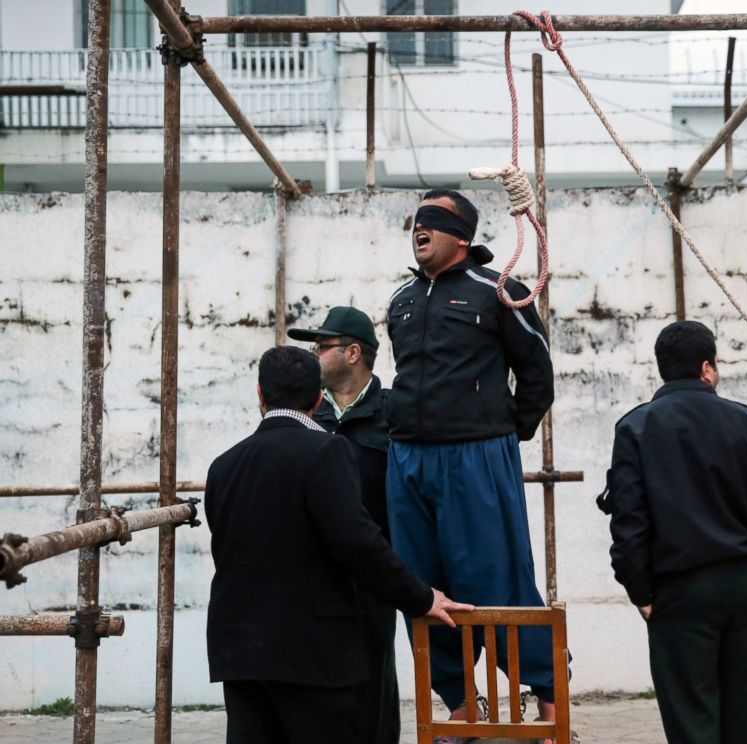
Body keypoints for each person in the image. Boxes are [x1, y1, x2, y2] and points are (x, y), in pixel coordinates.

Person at [204, 345, 472, 744]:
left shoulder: (224, 464)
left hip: (239, 650)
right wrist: (420, 597)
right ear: (317, 398)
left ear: (260, 394)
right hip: (312, 652)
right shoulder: (327, 451)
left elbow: (227, 549)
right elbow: (358, 542)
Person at [385, 189, 563, 739]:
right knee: (422, 583)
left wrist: (505, 434)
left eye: (432, 222)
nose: (420, 229)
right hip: (408, 456)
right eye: (416, 222)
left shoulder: (499, 292)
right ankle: (461, 706)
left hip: (476, 456)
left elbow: (538, 375)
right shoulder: (401, 300)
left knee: (497, 578)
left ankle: (549, 697)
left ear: (462, 236)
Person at [602, 320, 747, 744]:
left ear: (663, 369)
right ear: (707, 368)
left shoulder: (635, 428)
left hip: (677, 590)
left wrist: (641, 593)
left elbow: (628, 522)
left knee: (691, 721)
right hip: (742, 583)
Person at [288, 307, 399, 744]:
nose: (313, 355)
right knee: (317, 689)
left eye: (322, 347)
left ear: (353, 353)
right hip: (316, 575)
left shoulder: (393, 412)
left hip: (373, 573)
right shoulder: (307, 418)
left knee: (373, 685)